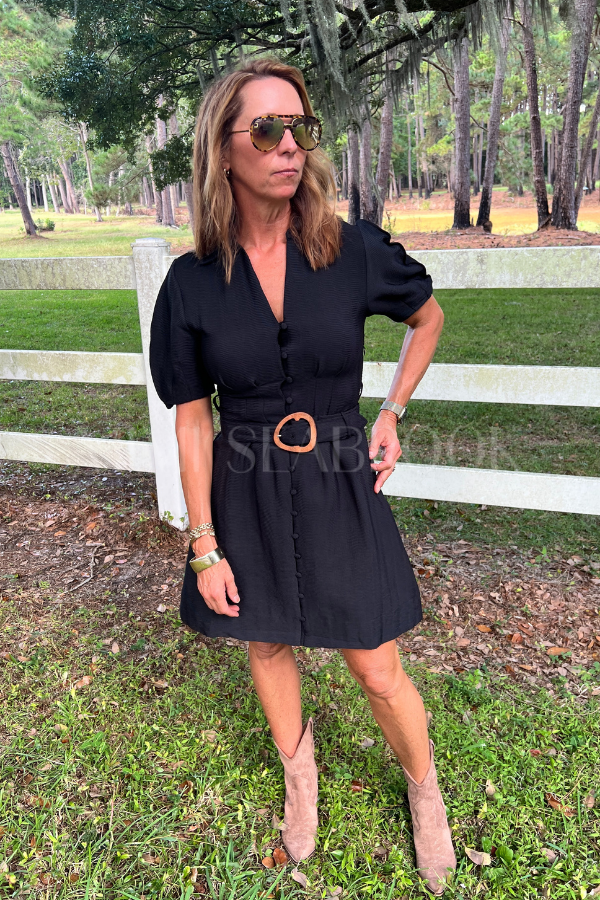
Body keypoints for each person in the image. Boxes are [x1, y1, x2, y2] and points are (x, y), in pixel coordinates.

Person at [149, 56, 455, 895]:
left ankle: (424, 790)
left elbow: (428, 318)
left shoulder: (350, 251)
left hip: (338, 473)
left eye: (299, 128)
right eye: (266, 129)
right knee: (267, 638)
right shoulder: (191, 284)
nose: (289, 145)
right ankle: (299, 777)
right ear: (222, 147)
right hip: (244, 483)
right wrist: (204, 544)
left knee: (375, 661)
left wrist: (391, 412)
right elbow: (191, 418)